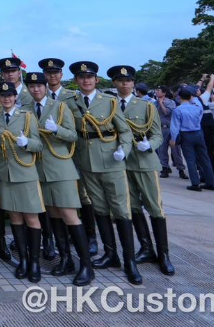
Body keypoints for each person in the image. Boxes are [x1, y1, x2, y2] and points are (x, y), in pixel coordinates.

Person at [63, 61, 141, 286]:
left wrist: (123, 150)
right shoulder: (70, 103)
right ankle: (110, 254)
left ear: (96, 80)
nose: (85, 80)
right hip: (86, 162)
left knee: (121, 210)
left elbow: (124, 131)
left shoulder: (109, 101)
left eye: (89, 77)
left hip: (111, 160)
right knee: (99, 209)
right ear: (76, 81)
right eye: (81, 77)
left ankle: (130, 261)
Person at [22, 73, 94, 285]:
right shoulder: (25, 110)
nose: (36, 89)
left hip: (60, 167)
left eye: (39, 86)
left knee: (69, 214)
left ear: (46, 87)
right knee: (53, 214)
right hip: (39, 169)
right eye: (31, 86)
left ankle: (86, 265)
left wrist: (57, 130)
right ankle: (65, 259)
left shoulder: (60, 107)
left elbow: (72, 135)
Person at [108, 65, 174, 276]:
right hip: (121, 163)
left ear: (133, 83)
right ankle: (146, 248)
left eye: (128, 81)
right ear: (114, 83)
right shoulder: (109, 105)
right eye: (120, 81)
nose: (124, 84)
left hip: (143, 161)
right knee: (133, 207)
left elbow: (157, 135)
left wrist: (150, 145)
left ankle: (164, 255)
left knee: (155, 207)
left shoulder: (146, 106)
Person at [0, 82, 45, 283]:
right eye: (2, 95)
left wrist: (27, 142)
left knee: (31, 218)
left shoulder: (27, 116)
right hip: (4, 174)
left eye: (10, 95)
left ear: (15, 97)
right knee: (15, 218)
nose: (6, 99)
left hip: (25, 172)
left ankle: (35, 262)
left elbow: (39, 145)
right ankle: (23, 260)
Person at [170, 88, 214, 193]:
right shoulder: (197, 107)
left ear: (179, 97)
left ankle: (195, 183)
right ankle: (211, 183)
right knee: (205, 158)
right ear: (190, 97)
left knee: (190, 160)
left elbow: (175, 126)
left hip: (186, 135)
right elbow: (199, 120)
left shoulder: (178, 110)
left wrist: (173, 139)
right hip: (198, 133)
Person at [155, 86, 186, 179]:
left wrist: (161, 103)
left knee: (176, 151)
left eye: (158, 90)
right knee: (162, 151)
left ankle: (181, 169)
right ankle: (165, 169)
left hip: (171, 128)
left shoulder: (170, 102)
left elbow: (167, 112)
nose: (156, 92)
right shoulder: (154, 103)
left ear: (164, 93)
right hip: (161, 129)